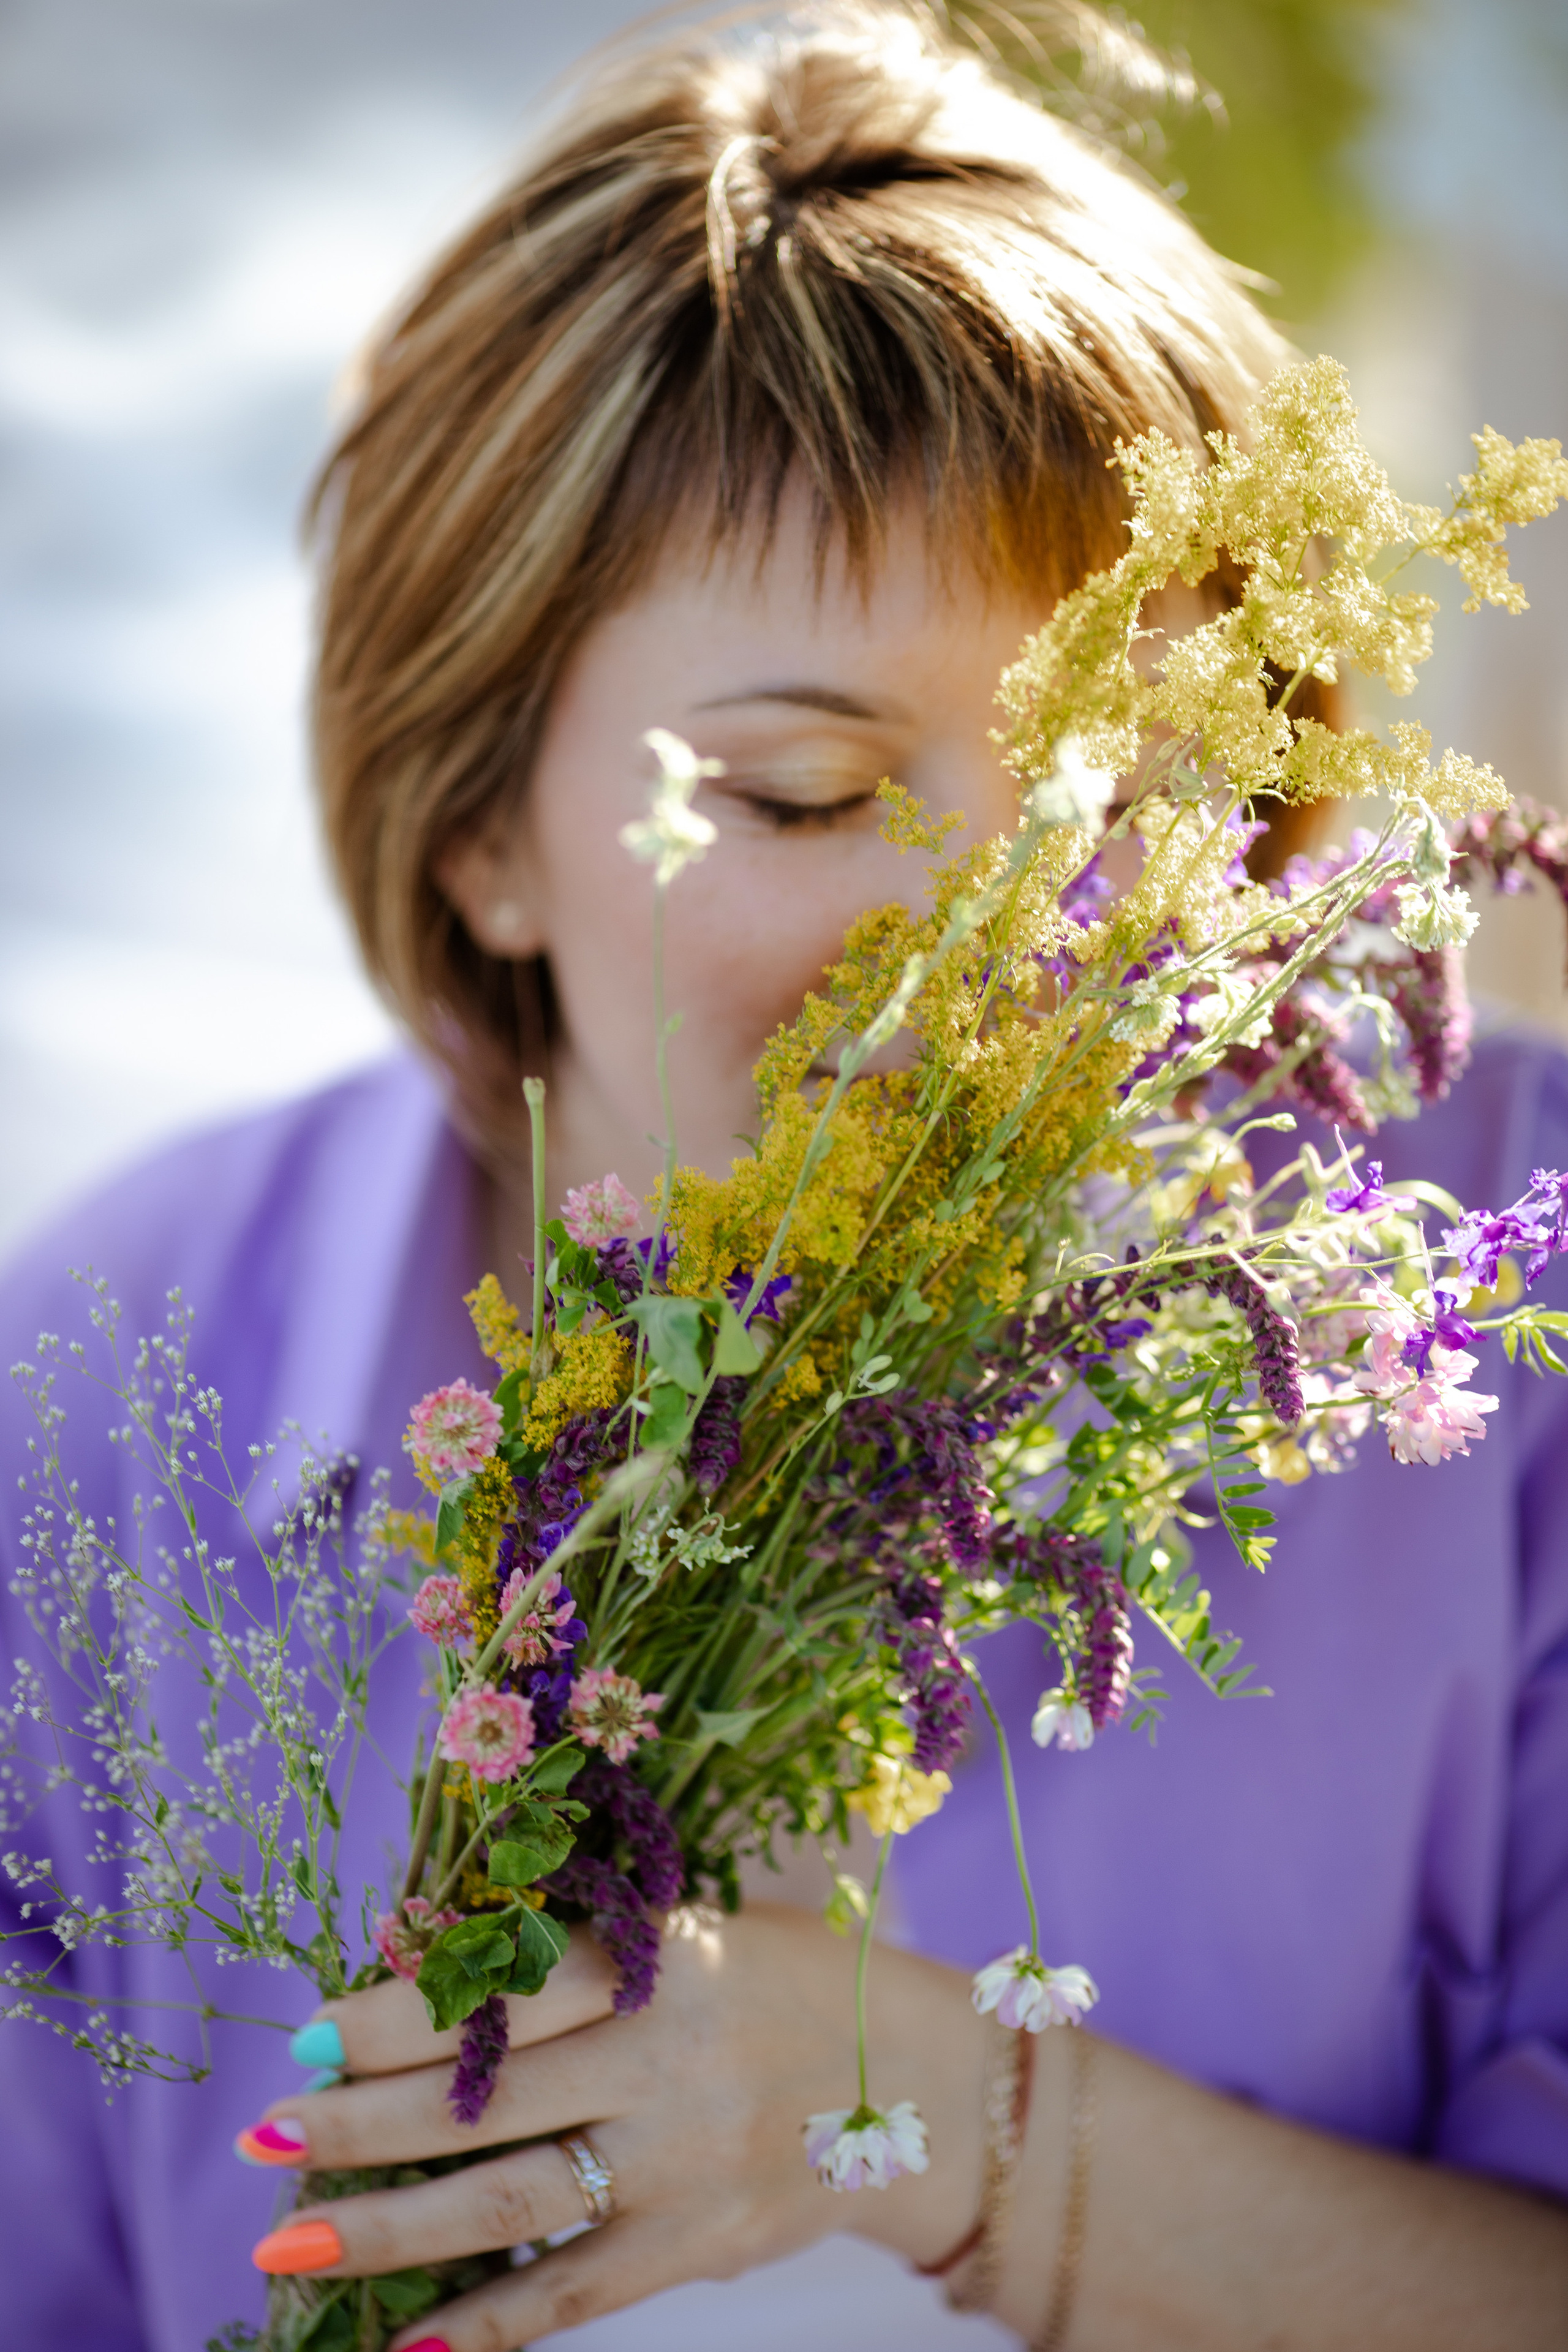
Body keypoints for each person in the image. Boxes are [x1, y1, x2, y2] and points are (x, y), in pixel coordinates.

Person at [2, 7, 1566, 2348]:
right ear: (475, 824)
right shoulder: (118, 1383)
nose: (1004, 944)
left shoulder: (1494, 1294)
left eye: (1130, 792)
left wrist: (944, 2128)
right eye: (812, 798)